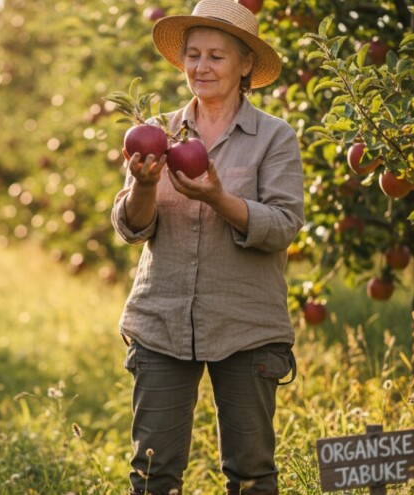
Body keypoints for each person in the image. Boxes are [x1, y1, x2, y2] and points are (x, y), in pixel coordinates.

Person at [110, 1, 305, 494]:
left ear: (245, 64)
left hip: (246, 325)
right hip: (162, 320)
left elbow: (283, 226)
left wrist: (219, 198)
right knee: (152, 472)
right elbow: (131, 227)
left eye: (216, 56)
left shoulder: (274, 138)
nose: (201, 66)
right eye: (193, 55)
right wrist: (144, 186)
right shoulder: (156, 133)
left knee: (251, 473)